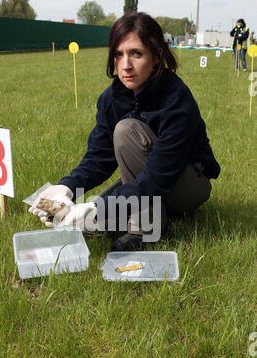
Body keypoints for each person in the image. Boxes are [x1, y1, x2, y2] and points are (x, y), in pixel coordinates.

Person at [29, 12, 220, 251]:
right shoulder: (112, 99)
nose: (126, 65)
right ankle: (138, 215)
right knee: (85, 223)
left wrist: (100, 208)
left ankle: (146, 228)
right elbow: (99, 156)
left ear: (157, 56)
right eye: (119, 54)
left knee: (126, 131)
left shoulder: (177, 100)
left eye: (136, 53)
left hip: (186, 184)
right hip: (150, 177)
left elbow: (157, 178)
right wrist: (67, 187)